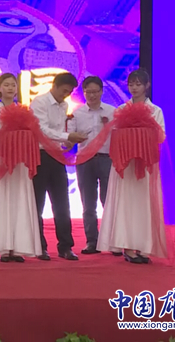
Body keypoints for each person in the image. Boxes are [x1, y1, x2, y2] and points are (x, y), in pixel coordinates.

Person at [97, 69, 167, 264]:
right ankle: (127, 246)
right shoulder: (121, 110)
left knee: (145, 204)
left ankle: (144, 246)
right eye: (131, 84)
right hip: (125, 166)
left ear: (147, 86)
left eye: (138, 84)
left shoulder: (155, 110)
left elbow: (161, 136)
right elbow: (115, 135)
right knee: (126, 204)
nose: (134, 88)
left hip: (145, 165)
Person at [0, 73, 42, 262]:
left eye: (13, 85)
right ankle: (4, 247)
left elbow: (34, 135)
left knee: (19, 200)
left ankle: (19, 247)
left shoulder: (24, 112)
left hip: (20, 163)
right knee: (2, 201)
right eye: (6, 85)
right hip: (2, 162)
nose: (10, 88)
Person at [30, 73, 87, 261]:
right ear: (54, 86)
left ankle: (65, 246)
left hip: (56, 156)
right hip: (39, 155)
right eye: (64, 91)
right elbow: (42, 130)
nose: (66, 95)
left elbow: (59, 131)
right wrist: (67, 137)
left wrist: (67, 142)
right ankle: (40, 247)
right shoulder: (39, 102)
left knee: (62, 203)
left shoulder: (64, 105)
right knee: (37, 203)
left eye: (69, 92)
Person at [67, 76, 116, 255]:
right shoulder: (77, 113)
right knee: (88, 204)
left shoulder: (113, 112)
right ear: (84, 93)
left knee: (108, 202)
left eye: (96, 92)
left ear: (102, 91)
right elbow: (69, 138)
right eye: (89, 92)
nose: (92, 95)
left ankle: (112, 242)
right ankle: (92, 242)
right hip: (84, 161)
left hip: (107, 159)